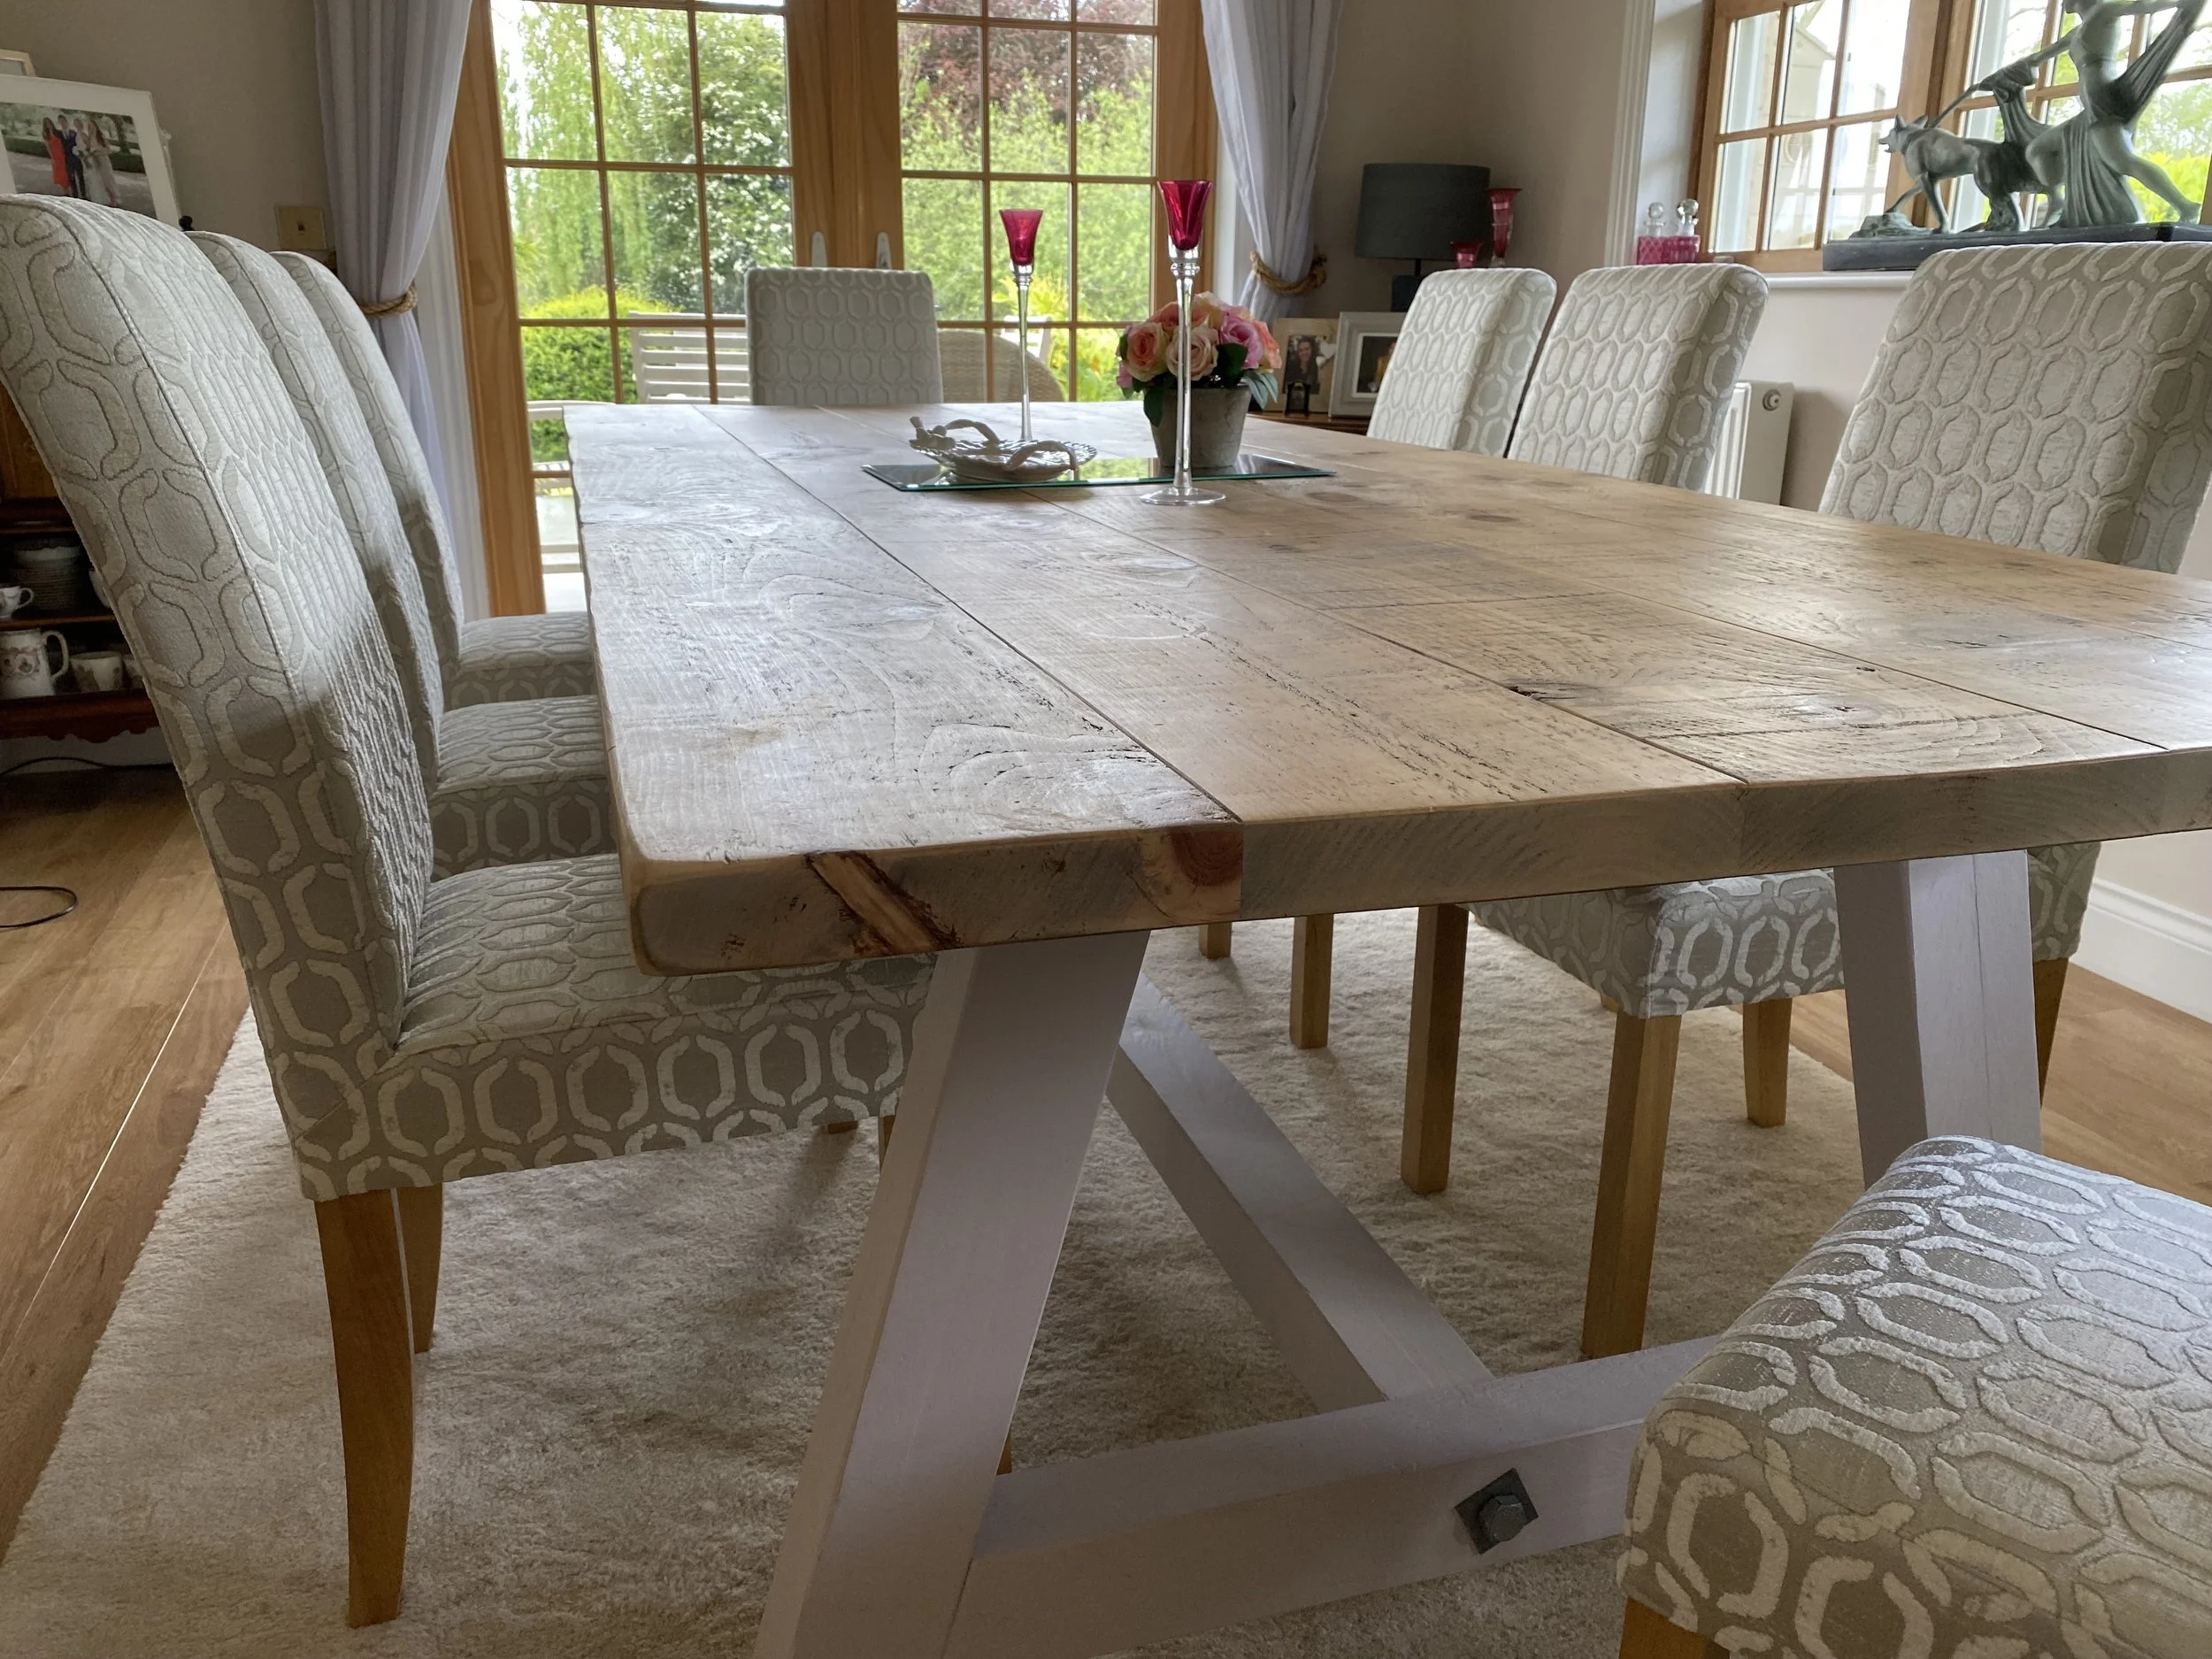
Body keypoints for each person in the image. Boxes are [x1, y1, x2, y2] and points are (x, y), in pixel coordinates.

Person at [1981, 0, 2206, 225]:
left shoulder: (2104, 11)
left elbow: (2143, 6)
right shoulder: (2077, 32)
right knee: (2037, 150)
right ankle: (2060, 200)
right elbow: (2034, 60)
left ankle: (2185, 205)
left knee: (2122, 161)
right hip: (2088, 108)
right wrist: (1999, 78)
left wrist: (2180, 2)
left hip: (2103, 100)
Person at [81, 115, 119, 207]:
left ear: (96, 126)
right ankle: (109, 199)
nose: (91, 128)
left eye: (92, 126)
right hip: (96, 163)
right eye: (89, 127)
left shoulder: (101, 137)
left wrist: (98, 152)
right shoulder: (90, 139)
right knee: (102, 182)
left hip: (104, 161)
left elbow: (109, 150)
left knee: (108, 180)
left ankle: (114, 199)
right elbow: (88, 149)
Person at [42, 117, 69, 196]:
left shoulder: (58, 132)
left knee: (65, 173)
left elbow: (63, 144)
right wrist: (52, 158)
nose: (48, 125)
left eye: (49, 123)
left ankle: (67, 190)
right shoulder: (46, 135)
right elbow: (48, 147)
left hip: (62, 154)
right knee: (59, 174)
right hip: (56, 156)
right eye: (47, 124)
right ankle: (64, 191)